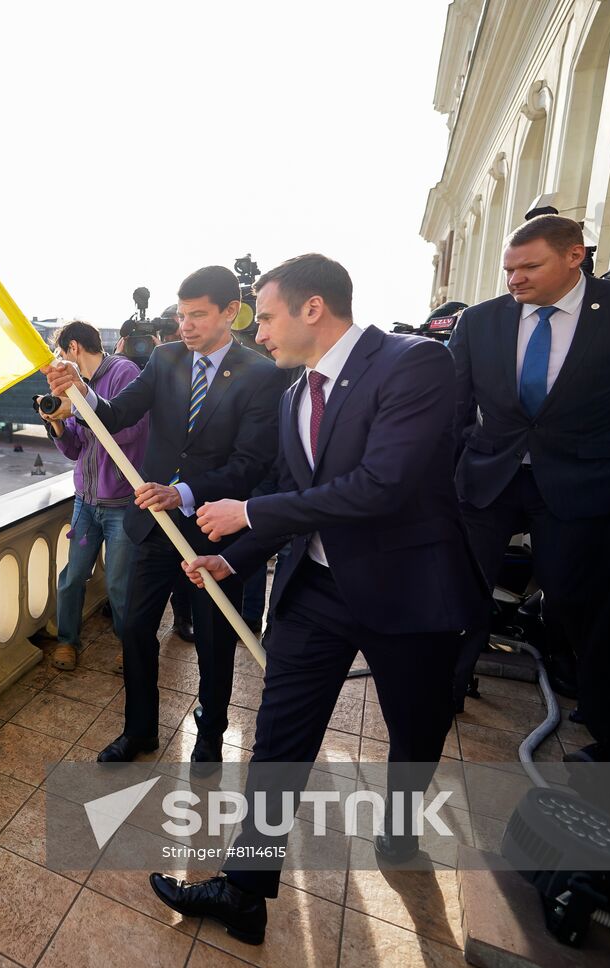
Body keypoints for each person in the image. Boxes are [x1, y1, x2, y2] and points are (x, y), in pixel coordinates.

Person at [151, 254, 484, 945]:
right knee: (279, 739)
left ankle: (399, 829)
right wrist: (231, 556)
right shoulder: (294, 392)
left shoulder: (414, 364)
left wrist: (247, 516)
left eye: (265, 316)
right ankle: (245, 889)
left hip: (406, 593)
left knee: (416, 729)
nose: (258, 331)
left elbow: (380, 485)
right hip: (315, 592)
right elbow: (291, 500)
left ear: (312, 309)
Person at [43, 265, 287, 765]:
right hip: (153, 526)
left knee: (215, 643)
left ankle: (212, 738)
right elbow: (116, 414)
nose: (185, 326)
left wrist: (185, 492)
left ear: (230, 313)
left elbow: (251, 464)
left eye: (198, 315)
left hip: (214, 530)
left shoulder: (262, 375)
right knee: (134, 627)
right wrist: (81, 393)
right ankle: (139, 731)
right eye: (181, 315)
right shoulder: (166, 358)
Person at [449, 216, 610, 709]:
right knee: (461, 586)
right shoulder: (479, 320)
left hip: (583, 480)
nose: (515, 279)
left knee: (571, 592)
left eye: (529, 267)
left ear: (574, 256)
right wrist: (448, 465)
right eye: (509, 270)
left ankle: (590, 697)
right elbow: (451, 405)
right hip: (489, 476)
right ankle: (450, 685)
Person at [40, 320, 150, 670]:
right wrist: (57, 422)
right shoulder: (77, 386)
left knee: (120, 586)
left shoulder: (123, 371)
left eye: (60, 353)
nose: (59, 361)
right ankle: (67, 642)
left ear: (73, 348)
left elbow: (132, 430)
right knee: (72, 577)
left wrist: (80, 410)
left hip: (122, 503)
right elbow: (75, 450)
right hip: (86, 503)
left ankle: (129, 647)